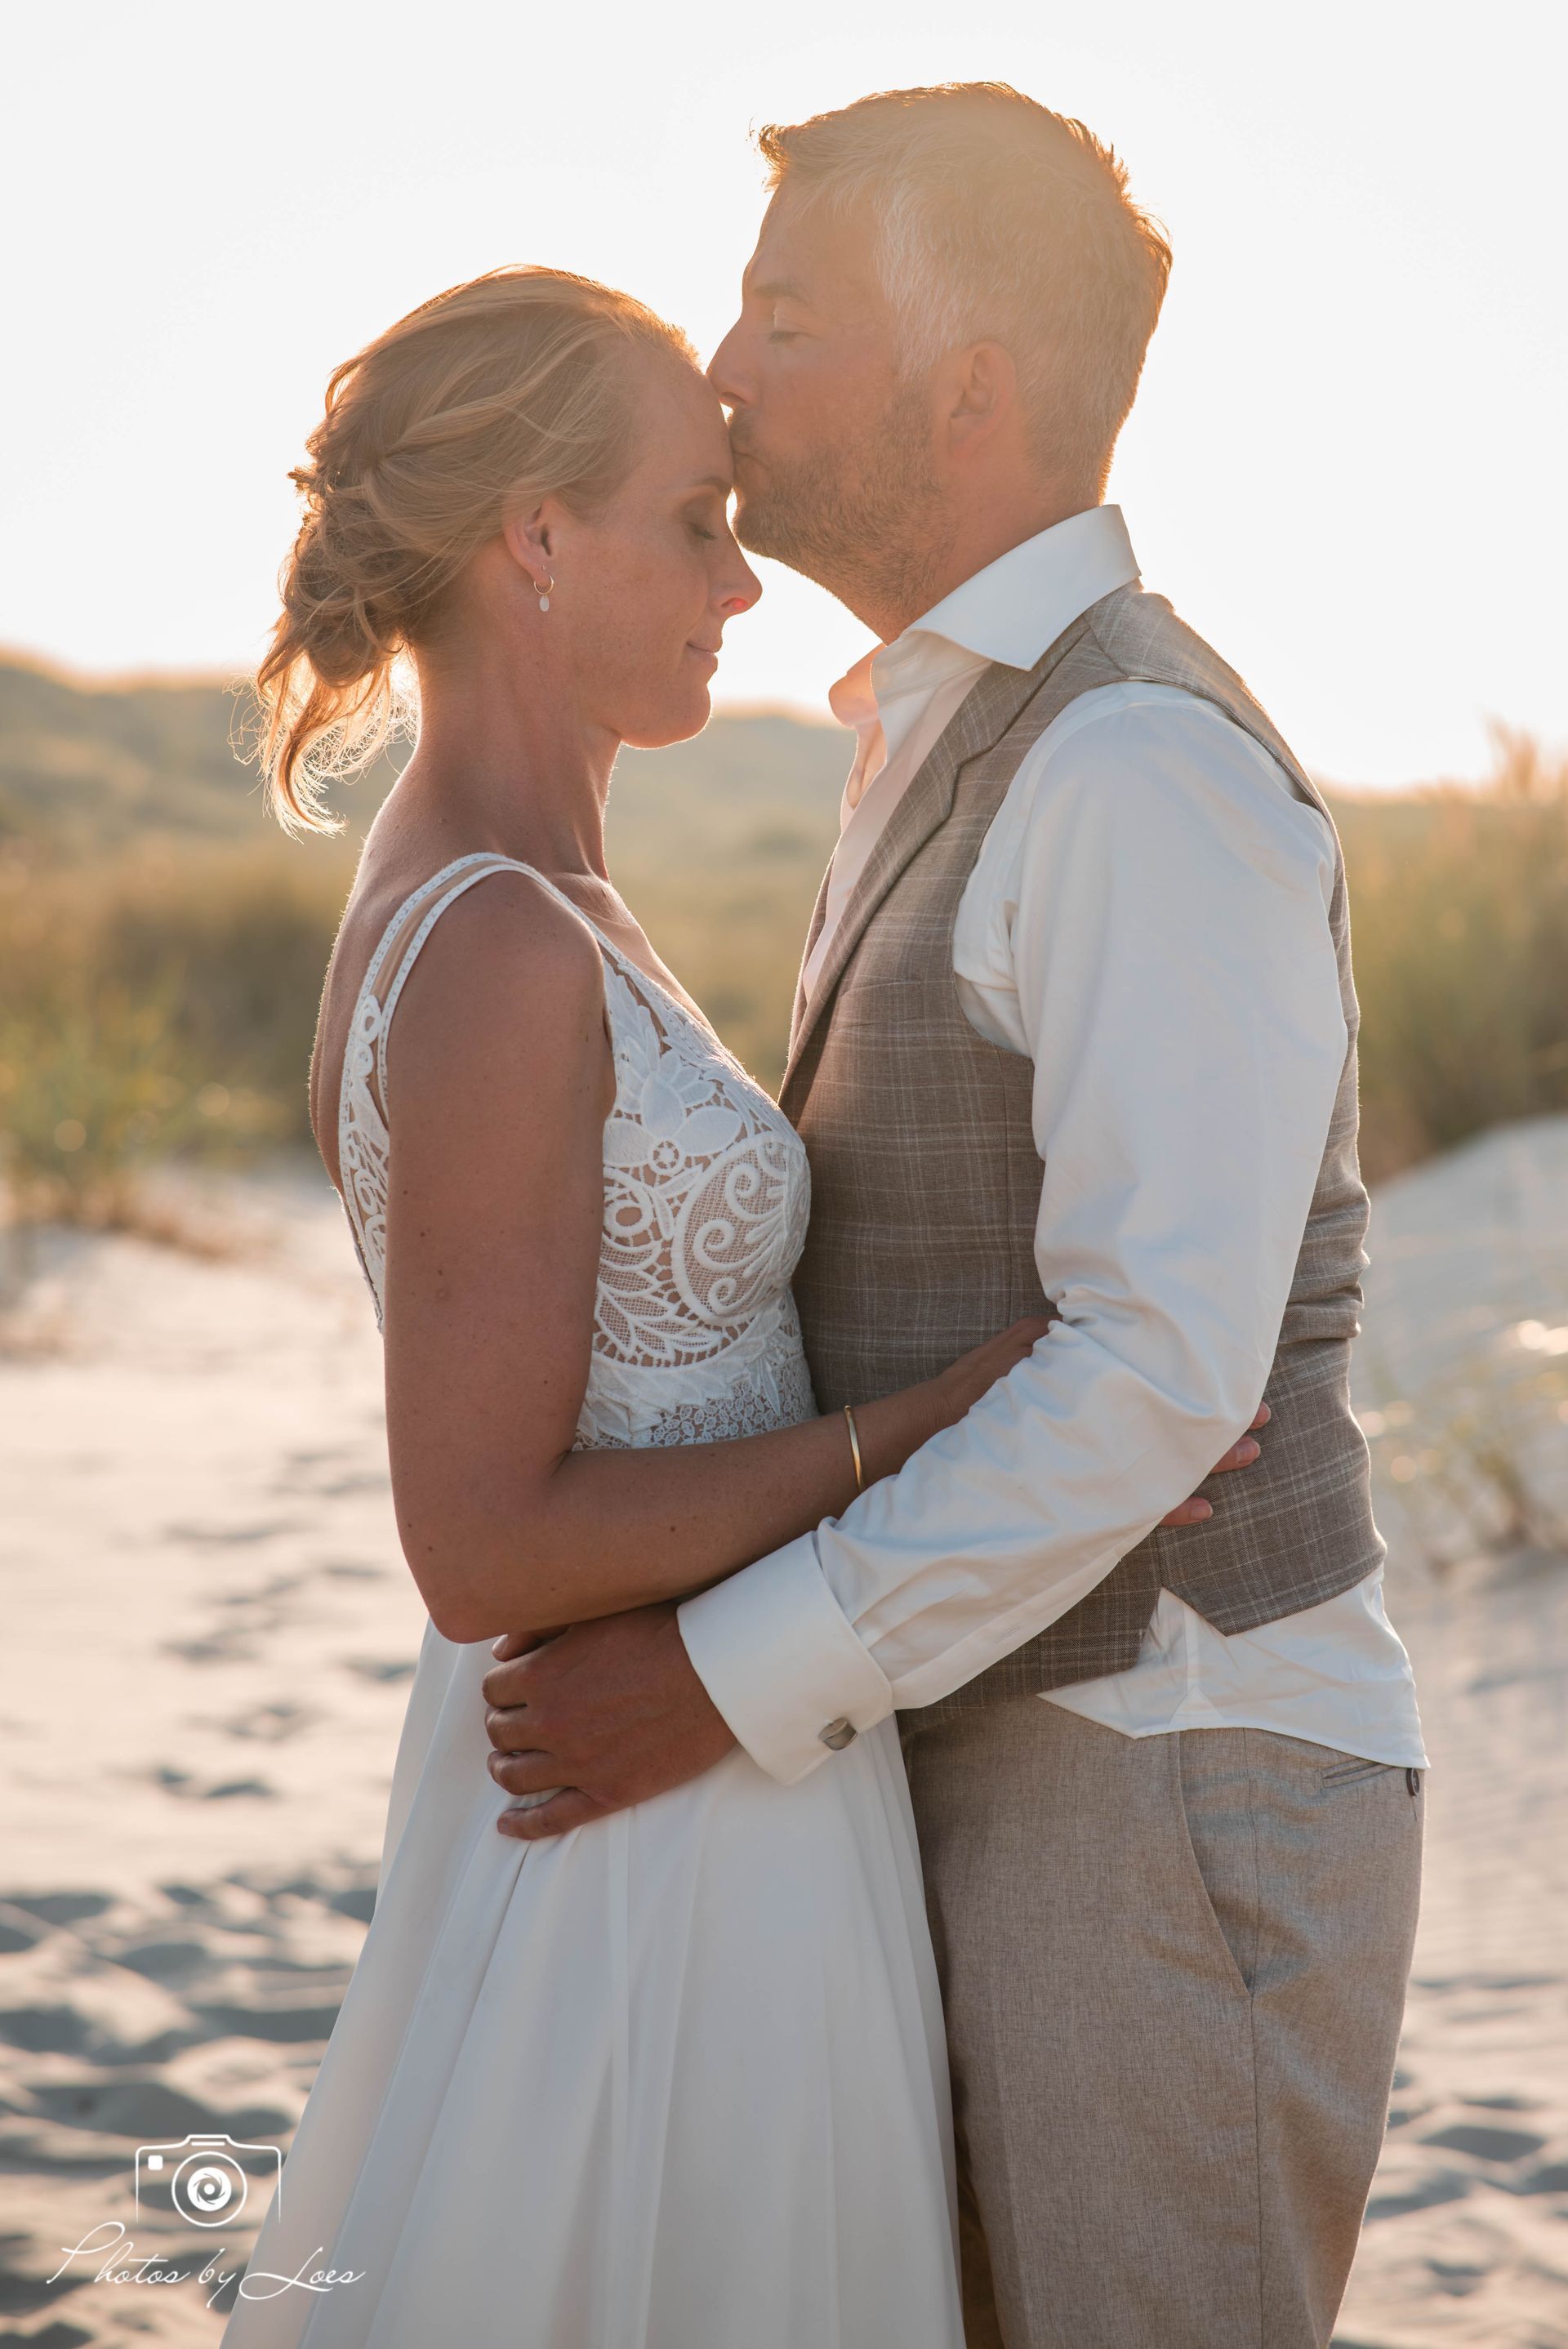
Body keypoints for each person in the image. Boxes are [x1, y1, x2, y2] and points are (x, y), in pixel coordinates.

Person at [220, 263, 1248, 2348]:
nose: (743, 581)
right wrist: (953, 1411)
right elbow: (481, 1539)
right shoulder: (500, 938)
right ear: (533, 537)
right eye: (692, 518)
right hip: (645, 1825)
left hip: (714, 1763)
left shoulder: (527, 890)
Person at [482, 87, 1428, 2349]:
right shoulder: (954, 729)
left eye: (787, 319)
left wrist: (721, 1675)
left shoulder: (1134, 769)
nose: (721, 366)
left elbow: (1155, 1370)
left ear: (970, 390)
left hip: (1166, 1780)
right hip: (1034, 1759)